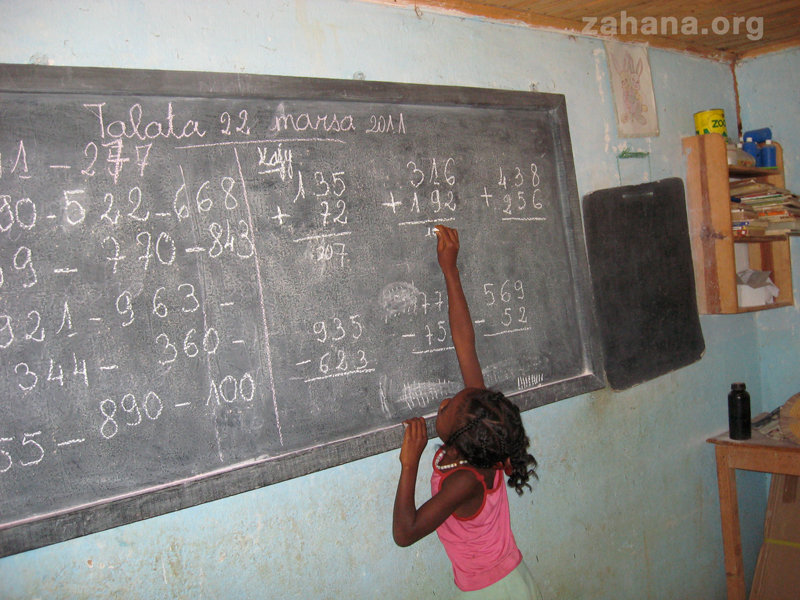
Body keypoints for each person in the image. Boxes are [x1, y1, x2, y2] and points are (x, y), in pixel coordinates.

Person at [392, 225, 542, 599]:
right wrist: (450, 270)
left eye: (448, 407)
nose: (445, 402)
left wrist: (409, 465)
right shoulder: (479, 443)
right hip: (508, 580)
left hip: (493, 592)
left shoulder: (465, 480)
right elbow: (465, 345)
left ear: (460, 438)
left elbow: (405, 533)